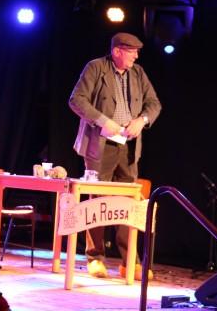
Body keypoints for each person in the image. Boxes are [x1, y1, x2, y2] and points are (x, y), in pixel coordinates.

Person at [69, 32, 161, 280]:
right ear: (117, 51)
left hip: (128, 148)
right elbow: (76, 100)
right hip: (99, 145)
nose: (136, 56)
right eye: (132, 52)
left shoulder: (138, 73)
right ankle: (95, 257)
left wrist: (142, 120)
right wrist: (102, 121)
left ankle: (129, 261)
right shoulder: (96, 67)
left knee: (127, 203)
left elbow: (154, 104)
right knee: (98, 201)